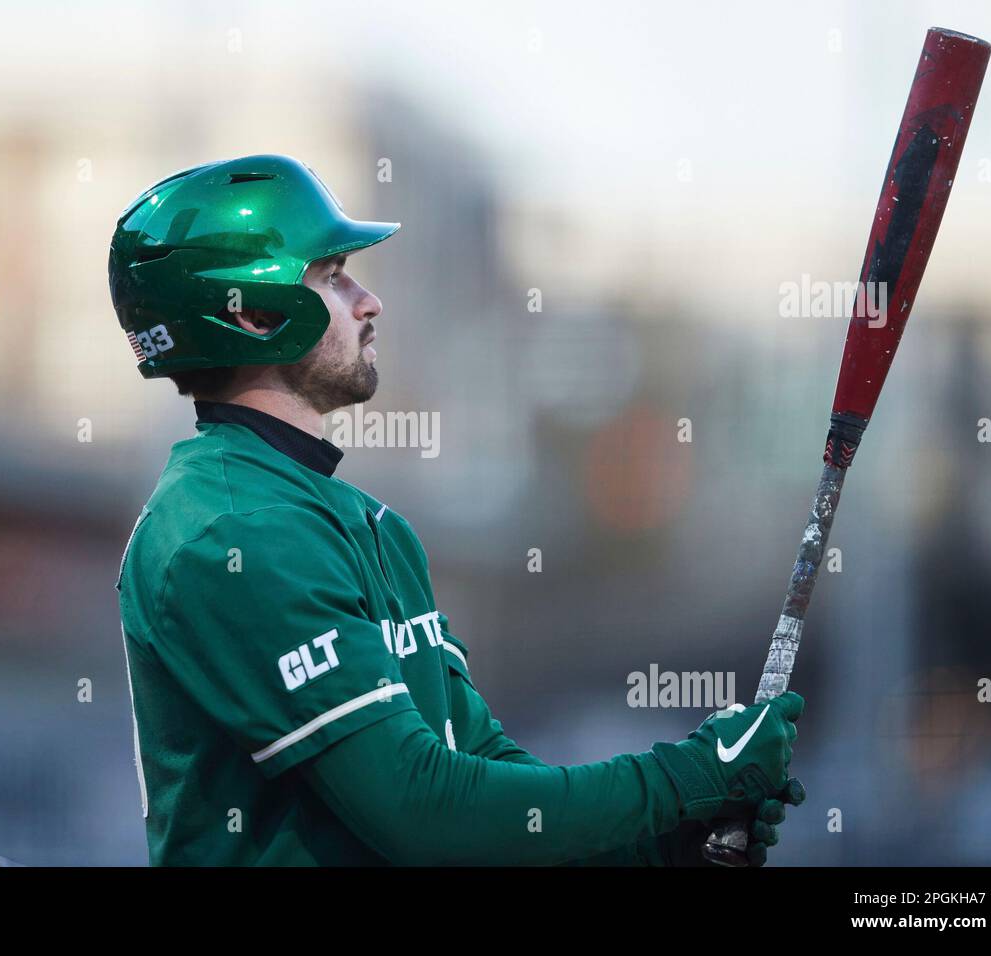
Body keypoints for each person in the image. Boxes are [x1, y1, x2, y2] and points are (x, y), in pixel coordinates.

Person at [108, 154, 805, 866]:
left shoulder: (368, 525)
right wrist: (682, 781)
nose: (367, 301)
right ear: (255, 315)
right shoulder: (233, 533)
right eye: (331, 275)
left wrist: (662, 844)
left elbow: (485, 769)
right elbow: (421, 808)